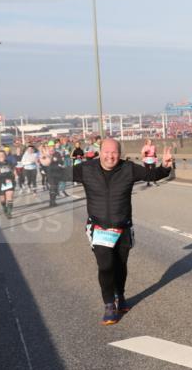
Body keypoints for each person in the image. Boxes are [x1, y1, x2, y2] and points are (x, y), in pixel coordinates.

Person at [69, 138, 174, 324]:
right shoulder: (86, 169)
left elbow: (151, 175)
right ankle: (109, 304)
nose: (110, 156)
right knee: (105, 265)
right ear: (100, 152)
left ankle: (120, 294)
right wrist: (47, 164)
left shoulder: (128, 168)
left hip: (123, 227)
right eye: (106, 152)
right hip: (99, 227)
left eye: (114, 152)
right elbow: (58, 173)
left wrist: (165, 167)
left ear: (120, 154)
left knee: (120, 265)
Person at [0, 150, 17, 218]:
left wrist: (16, 175)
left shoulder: (9, 162)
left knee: (9, 196)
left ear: (5, 156)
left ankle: (9, 213)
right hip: (0, 182)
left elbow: (13, 169)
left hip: (9, 180)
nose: (2, 156)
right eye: (0, 155)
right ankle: (4, 207)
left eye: (3, 155)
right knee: (3, 199)